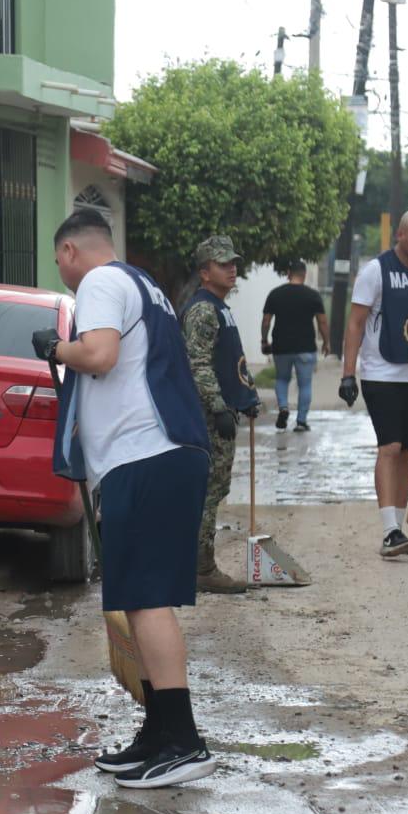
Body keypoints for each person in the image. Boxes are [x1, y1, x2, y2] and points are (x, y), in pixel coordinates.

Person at [32, 210, 215, 789]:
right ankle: (160, 733)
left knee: (148, 600)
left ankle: (184, 741)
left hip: (148, 456)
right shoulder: (143, 285)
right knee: (140, 597)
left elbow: (101, 355)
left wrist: (58, 349)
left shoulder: (99, 283)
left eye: (59, 258)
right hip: (159, 455)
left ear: (69, 250)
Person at [338, 209, 408, 557]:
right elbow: (355, 323)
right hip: (380, 372)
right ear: (400, 235)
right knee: (389, 447)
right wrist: (348, 372)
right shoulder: (376, 271)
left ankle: (399, 529)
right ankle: (389, 531)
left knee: (407, 451)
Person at [183, 235, 260, 594]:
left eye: (233, 262)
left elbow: (230, 360)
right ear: (204, 272)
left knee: (215, 490)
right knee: (208, 494)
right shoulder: (202, 310)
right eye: (223, 264)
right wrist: (218, 408)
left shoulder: (220, 307)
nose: (232, 269)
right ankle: (202, 568)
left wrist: (246, 396)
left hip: (224, 410)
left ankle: (200, 564)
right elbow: (198, 365)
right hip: (208, 418)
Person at [260, 259, 330, 431]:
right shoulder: (312, 295)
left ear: (288, 274)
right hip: (305, 347)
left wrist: (264, 339)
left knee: (282, 379)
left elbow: (266, 320)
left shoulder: (275, 294)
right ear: (304, 275)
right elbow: (322, 322)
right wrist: (327, 342)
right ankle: (301, 421)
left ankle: (283, 407)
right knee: (305, 384)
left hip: (281, 347)